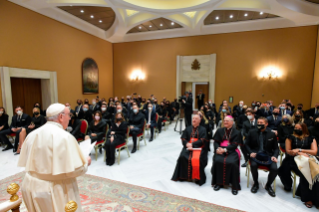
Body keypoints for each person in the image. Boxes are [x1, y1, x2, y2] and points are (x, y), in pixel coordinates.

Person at [17, 103, 91, 212]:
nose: (70, 118)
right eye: (68, 115)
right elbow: (76, 170)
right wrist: (86, 162)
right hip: (55, 190)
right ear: (61, 117)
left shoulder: (32, 134)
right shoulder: (65, 137)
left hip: (31, 186)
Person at [278, 123, 319, 208]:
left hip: (308, 160)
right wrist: (299, 153)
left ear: (304, 129)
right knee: (304, 172)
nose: (297, 129)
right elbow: (289, 151)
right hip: (292, 160)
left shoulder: (311, 138)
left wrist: (301, 150)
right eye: (295, 128)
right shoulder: (290, 137)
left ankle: (316, 198)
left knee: (315, 173)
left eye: (299, 128)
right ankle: (307, 198)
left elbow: (314, 152)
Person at [245, 117, 278, 197]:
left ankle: (268, 185)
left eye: (261, 123)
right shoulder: (252, 132)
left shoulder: (271, 134)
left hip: (268, 155)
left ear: (266, 124)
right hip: (255, 154)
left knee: (274, 169)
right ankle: (256, 183)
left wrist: (274, 156)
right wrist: (250, 152)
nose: (259, 124)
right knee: (253, 165)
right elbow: (246, 144)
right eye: (258, 123)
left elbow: (276, 148)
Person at [171, 114, 208, 186]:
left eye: (196, 119)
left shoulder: (203, 129)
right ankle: (183, 176)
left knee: (197, 159)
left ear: (199, 121)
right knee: (182, 157)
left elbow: (202, 140)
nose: (194, 120)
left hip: (198, 147)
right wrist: (187, 143)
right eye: (193, 118)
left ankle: (197, 178)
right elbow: (183, 138)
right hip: (188, 146)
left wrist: (193, 144)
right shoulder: (188, 128)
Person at [211, 116, 242, 195]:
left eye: (227, 121)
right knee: (218, 161)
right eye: (224, 121)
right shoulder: (219, 130)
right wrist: (217, 149)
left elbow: (235, 145)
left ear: (232, 122)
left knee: (232, 163)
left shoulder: (237, 132)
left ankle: (234, 186)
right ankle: (218, 183)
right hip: (220, 150)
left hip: (232, 150)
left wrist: (225, 149)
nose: (225, 122)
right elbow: (216, 142)